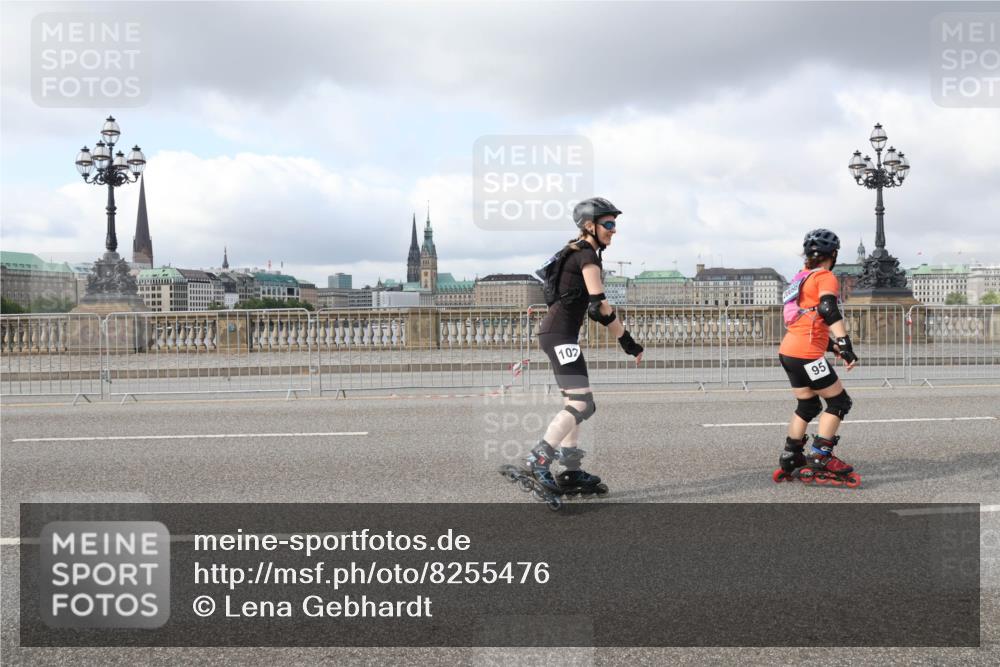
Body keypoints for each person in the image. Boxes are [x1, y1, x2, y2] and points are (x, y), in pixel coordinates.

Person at [526, 197, 644, 495]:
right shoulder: (587, 255)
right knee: (583, 403)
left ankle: (572, 471)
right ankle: (540, 458)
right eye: (608, 224)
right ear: (589, 226)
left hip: (557, 335)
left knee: (576, 403)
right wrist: (628, 342)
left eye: (614, 224)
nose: (613, 230)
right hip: (560, 337)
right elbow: (599, 307)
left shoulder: (574, 252)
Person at [776, 228, 861, 486]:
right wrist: (845, 345)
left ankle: (791, 455)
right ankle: (821, 457)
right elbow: (827, 309)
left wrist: (832, 346)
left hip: (789, 351)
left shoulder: (801, 278)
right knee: (839, 402)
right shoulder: (825, 276)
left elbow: (807, 320)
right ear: (833, 255)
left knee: (808, 405)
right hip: (807, 354)